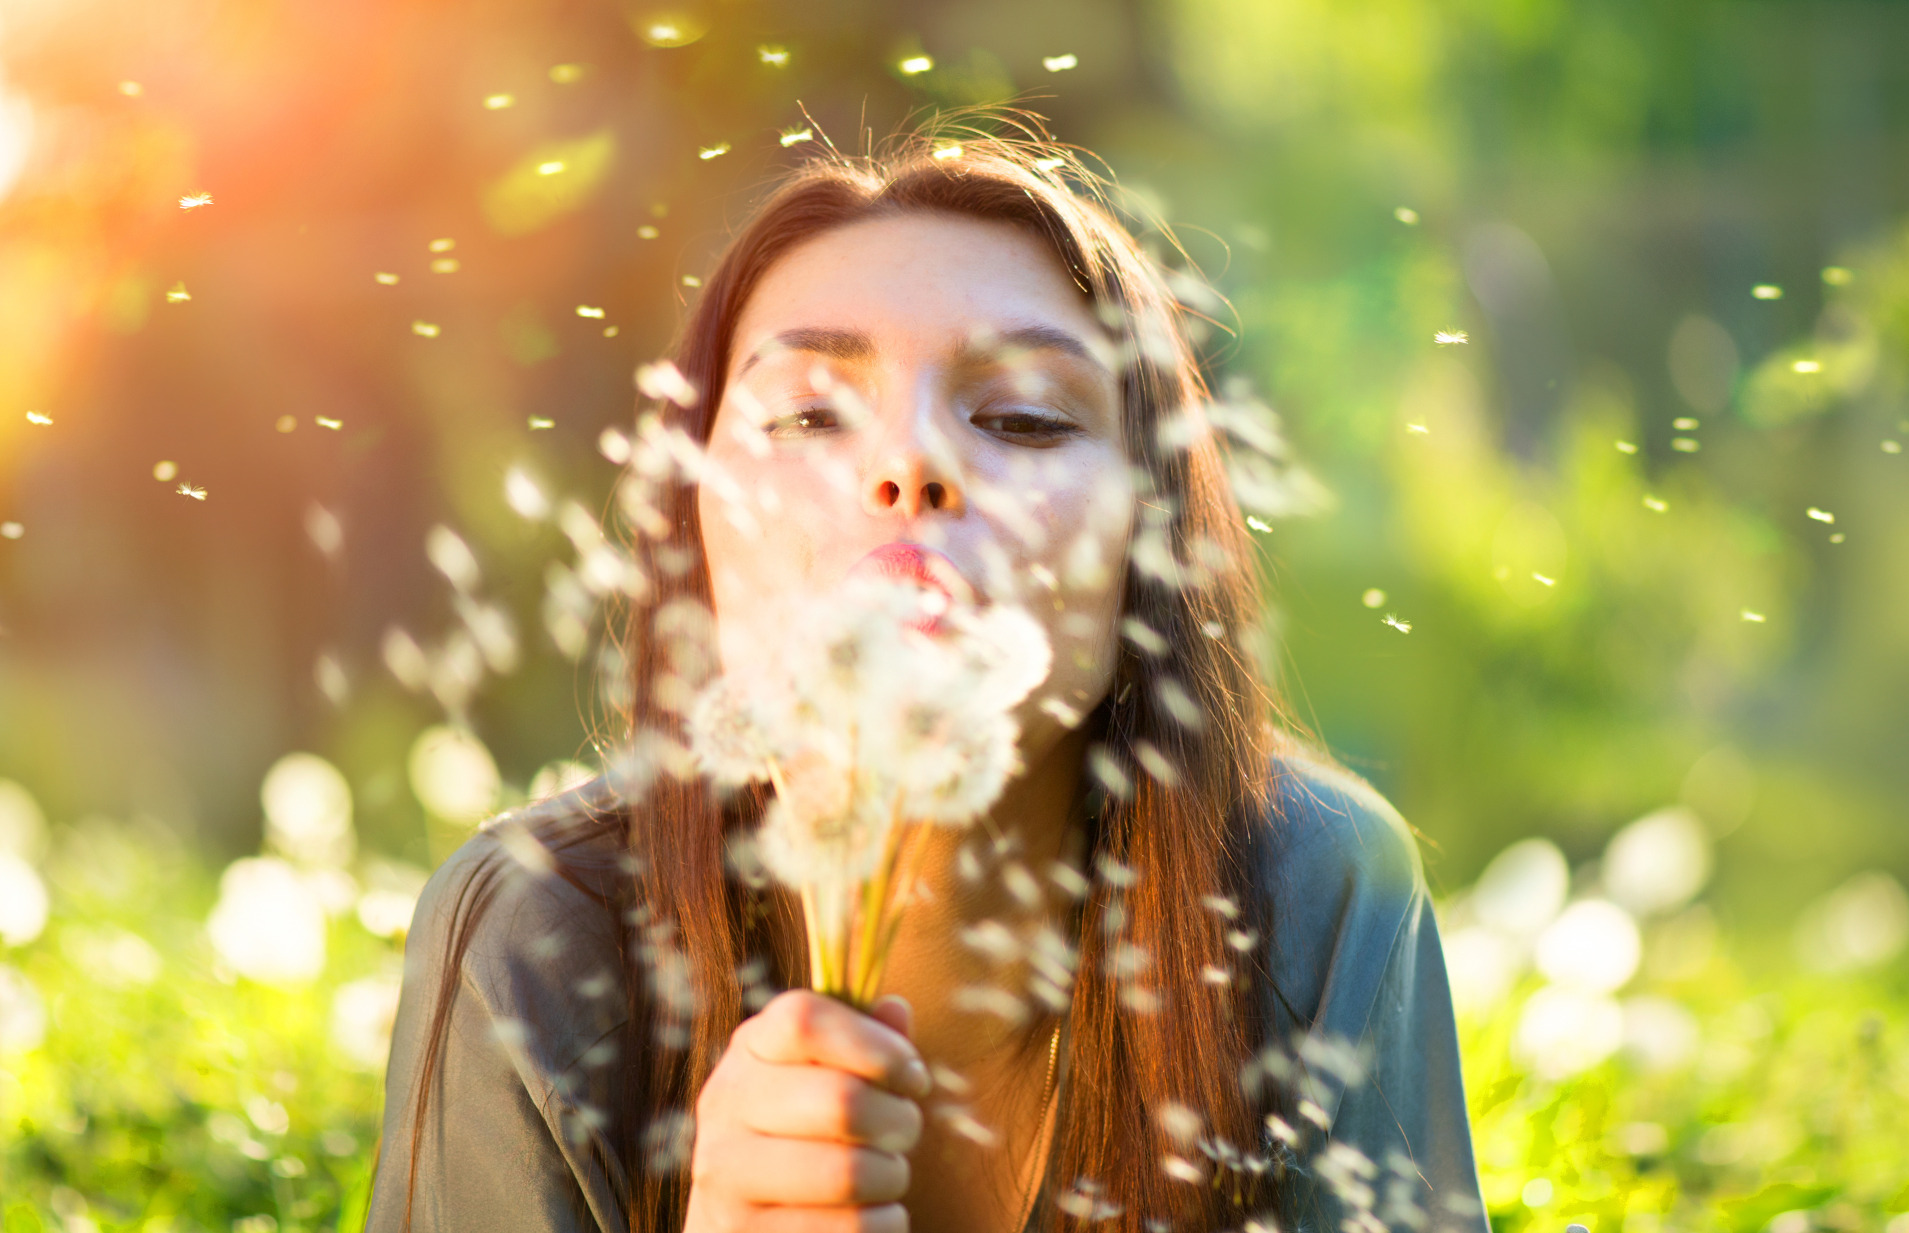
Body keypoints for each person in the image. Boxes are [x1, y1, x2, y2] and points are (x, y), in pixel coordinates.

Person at [366, 116, 1489, 1233]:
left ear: (1147, 540)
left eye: (1023, 419)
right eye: (807, 413)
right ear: (692, 522)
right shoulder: (532, 945)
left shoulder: (1306, 895)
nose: (910, 461)